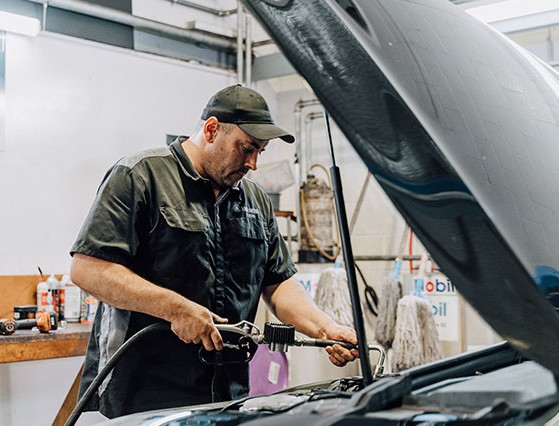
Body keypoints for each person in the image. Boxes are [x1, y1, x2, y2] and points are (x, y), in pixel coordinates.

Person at [70, 84, 358, 418]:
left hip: (228, 394)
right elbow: (89, 269)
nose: (252, 163)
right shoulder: (139, 177)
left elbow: (278, 282)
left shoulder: (255, 201)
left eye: (260, 152)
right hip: (142, 392)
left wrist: (323, 328)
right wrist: (175, 309)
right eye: (246, 148)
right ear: (211, 130)